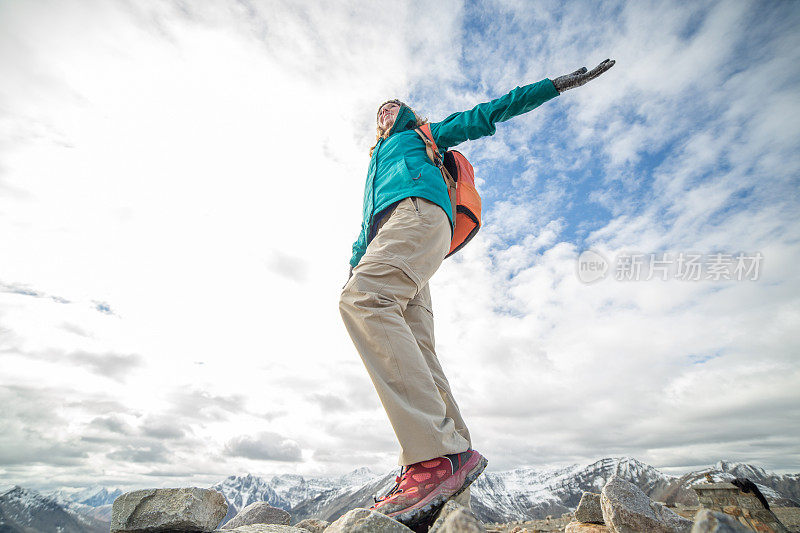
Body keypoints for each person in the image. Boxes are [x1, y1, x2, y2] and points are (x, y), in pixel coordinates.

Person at [339, 59, 615, 527]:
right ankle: (451, 459)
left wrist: (552, 86)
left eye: (394, 107)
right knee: (414, 342)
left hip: (418, 217)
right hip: (397, 234)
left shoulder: (423, 135)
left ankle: (431, 457)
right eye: (380, 111)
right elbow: (367, 225)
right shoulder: (375, 164)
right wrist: (353, 263)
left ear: (406, 114)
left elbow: (488, 113)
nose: (385, 112)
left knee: (365, 302)